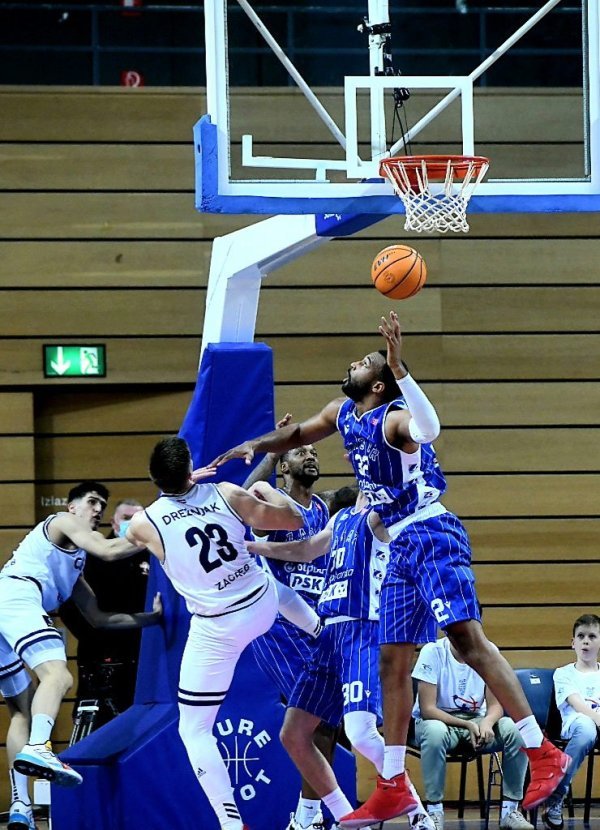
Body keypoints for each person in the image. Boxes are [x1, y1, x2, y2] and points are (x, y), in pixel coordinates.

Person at [206, 310, 571, 829]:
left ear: (377, 383)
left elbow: (431, 426)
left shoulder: (395, 419)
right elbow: (297, 435)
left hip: (429, 532)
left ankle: (542, 753)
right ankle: (393, 783)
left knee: (467, 643)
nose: (354, 361)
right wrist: (257, 445)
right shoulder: (342, 413)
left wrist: (400, 368)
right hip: (398, 545)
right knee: (392, 661)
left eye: (366, 362)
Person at [125, 436, 305, 830]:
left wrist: (182, 488)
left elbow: (134, 532)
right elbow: (293, 519)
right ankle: (319, 629)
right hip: (258, 601)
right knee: (272, 587)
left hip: (218, 627)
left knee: (194, 729)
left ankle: (230, 822)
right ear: (191, 468)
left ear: (154, 478)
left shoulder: (143, 522)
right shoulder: (226, 492)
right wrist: (265, 490)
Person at [249, 492, 433, 830]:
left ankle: (417, 812)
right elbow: (305, 550)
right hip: (328, 634)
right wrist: (255, 548)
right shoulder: (342, 517)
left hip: (363, 627)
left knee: (360, 734)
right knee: (293, 733)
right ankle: (344, 817)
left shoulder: (385, 515)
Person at [0, 481, 162, 830]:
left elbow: (100, 618)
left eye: (102, 504)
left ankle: (20, 806)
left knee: (21, 712)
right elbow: (107, 551)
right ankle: (41, 748)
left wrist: (151, 618)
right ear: (72, 507)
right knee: (59, 676)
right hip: (17, 595)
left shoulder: (73, 565)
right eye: (91, 502)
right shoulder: (61, 520)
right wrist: (157, 526)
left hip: (5, 607)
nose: (97, 509)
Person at [243, 418, 336, 830]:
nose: (311, 454)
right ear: (284, 466)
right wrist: (274, 448)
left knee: (329, 725)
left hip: (319, 625)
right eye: (302, 451)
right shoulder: (272, 507)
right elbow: (242, 498)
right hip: (280, 628)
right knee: (320, 719)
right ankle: (309, 819)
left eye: (314, 451)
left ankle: (307, 818)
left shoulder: (322, 508)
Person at [412, 634, 532, 830]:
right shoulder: (432, 651)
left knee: (515, 730)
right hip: (437, 721)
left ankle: (510, 811)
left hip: (476, 721)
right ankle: (434, 812)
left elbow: (495, 705)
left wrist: (487, 722)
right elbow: (428, 709)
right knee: (435, 732)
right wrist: (467, 725)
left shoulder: (488, 650)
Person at [60, 498, 151, 729]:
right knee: (95, 730)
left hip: (142, 658)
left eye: (137, 518)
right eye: (126, 518)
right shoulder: (93, 556)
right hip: (99, 660)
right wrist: (99, 636)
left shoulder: (155, 558)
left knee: (141, 728)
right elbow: (71, 609)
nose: (132, 523)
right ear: (114, 522)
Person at [542, 613, 600, 830]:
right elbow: (578, 705)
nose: (586, 641)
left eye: (592, 636)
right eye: (581, 636)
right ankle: (557, 795)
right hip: (575, 725)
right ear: (572, 643)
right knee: (586, 728)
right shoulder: (563, 673)